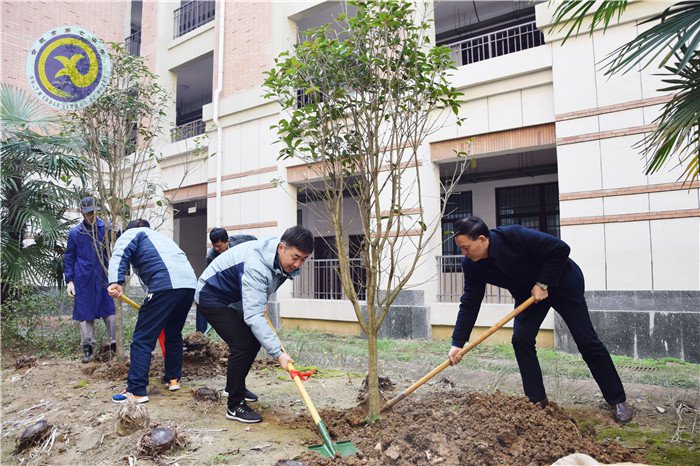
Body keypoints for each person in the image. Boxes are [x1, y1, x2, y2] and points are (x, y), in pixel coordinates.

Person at [447, 216, 632, 424]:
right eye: (460, 248)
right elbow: (470, 301)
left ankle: (617, 399)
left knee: (587, 340)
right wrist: (457, 343)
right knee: (521, 339)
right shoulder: (472, 265)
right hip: (530, 296)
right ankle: (537, 401)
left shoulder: (514, 235)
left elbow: (560, 249)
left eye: (466, 247)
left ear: (482, 239)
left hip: (562, 282)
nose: (463, 253)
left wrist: (543, 283)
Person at [195, 226, 314, 423]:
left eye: (303, 259)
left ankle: (235, 387)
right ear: (281, 247)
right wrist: (278, 353)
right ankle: (234, 405)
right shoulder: (257, 264)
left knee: (253, 341)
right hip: (211, 295)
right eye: (295, 257)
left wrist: (258, 302)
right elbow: (253, 316)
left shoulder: (279, 259)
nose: (298, 264)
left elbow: (261, 290)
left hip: (234, 297)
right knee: (242, 343)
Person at [107, 219, 196, 404]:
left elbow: (120, 252)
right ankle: (173, 379)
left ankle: (136, 390)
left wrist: (115, 281)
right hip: (188, 286)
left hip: (165, 286)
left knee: (142, 339)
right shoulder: (162, 240)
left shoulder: (134, 233)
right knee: (173, 333)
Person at [64, 196, 116, 363]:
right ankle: (88, 349)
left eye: (92, 213)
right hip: (83, 279)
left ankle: (115, 345)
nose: (90, 216)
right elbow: (69, 257)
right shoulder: (75, 233)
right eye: (87, 214)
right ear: (82, 213)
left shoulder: (107, 228)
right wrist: (69, 281)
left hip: (104, 277)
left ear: (97, 211)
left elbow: (119, 251)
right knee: (85, 315)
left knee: (110, 311)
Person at [196, 228, 257, 333]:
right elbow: (211, 277)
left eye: (219, 246)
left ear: (227, 241)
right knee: (201, 299)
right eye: (214, 245)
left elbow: (257, 245)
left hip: (244, 278)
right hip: (227, 284)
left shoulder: (242, 241)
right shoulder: (211, 256)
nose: (216, 248)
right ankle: (200, 334)